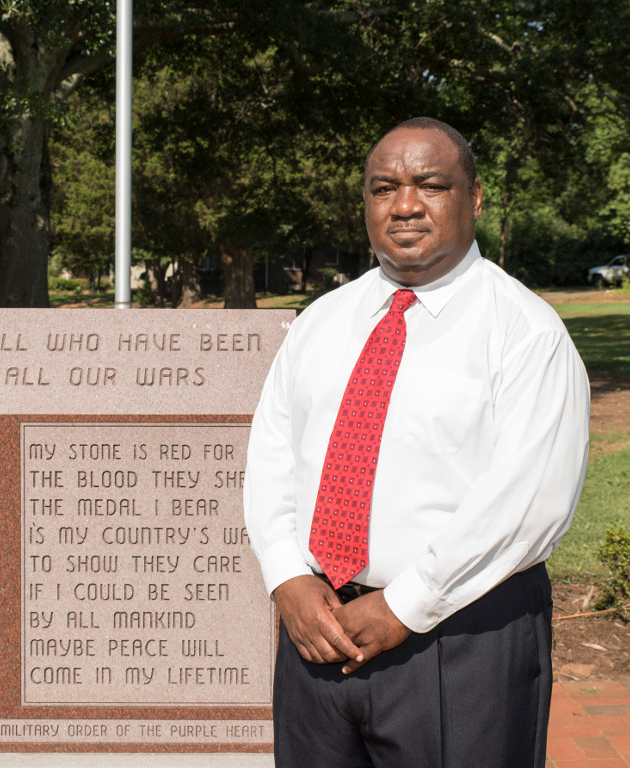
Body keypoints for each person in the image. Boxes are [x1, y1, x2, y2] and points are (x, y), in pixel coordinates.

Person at [243, 117, 590, 767]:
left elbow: (527, 502)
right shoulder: (322, 323)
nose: (404, 205)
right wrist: (286, 573)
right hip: (319, 635)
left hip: (462, 637)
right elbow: (272, 457)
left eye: (430, 184)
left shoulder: (524, 334)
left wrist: (407, 603)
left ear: (475, 198)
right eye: (384, 188)